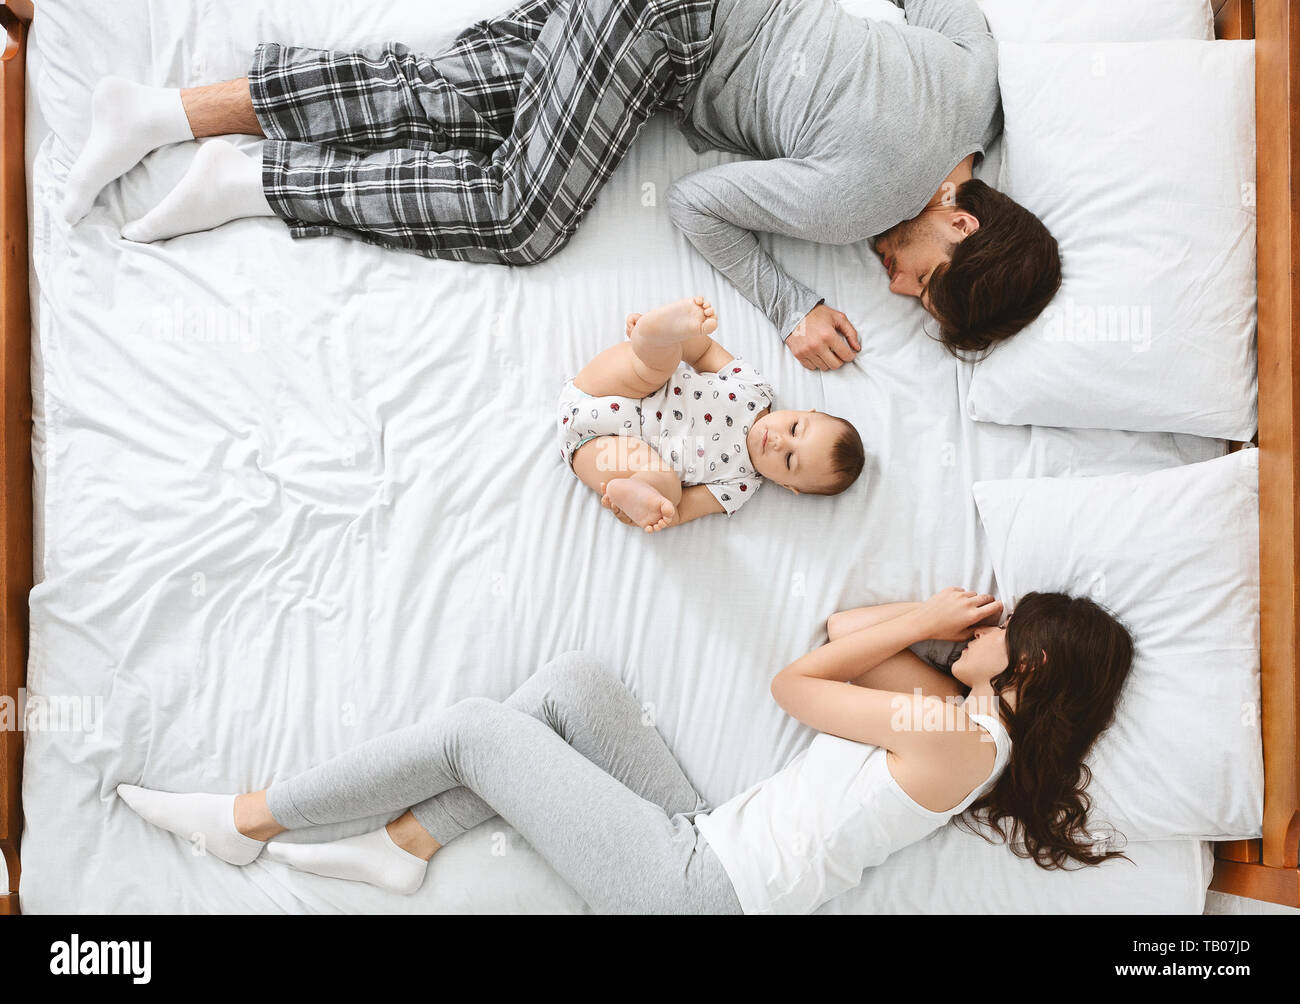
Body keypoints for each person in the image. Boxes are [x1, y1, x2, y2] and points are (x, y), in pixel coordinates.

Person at [61, 0, 1059, 371]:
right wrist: (789, 303)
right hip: (663, 32)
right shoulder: (863, 202)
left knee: (459, 97)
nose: (893, 286)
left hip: (669, 25)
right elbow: (695, 202)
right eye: (924, 281)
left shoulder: (975, 84)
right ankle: (262, 182)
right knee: (520, 214)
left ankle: (166, 115)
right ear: (962, 218)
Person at [117, 588, 1135, 914]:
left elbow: (792, 686)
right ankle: (408, 839)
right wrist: (923, 624)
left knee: (479, 726)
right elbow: (834, 634)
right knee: (571, 683)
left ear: (1029, 663)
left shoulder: (958, 739)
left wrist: (921, 613)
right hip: (703, 833)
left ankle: (248, 819)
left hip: (696, 890)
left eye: (997, 624)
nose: (970, 628)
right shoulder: (958, 723)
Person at [560, 296, 864, 532]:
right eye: (796, 429)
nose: (779, 442)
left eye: (789, 460)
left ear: (788, 486)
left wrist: (657, 511)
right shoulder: (754, 389)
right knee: (659, 366)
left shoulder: (739, 486)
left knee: (667, 486)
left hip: (597, 448)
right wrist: (681, 338)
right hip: (613, 387)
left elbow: (680, 511)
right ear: (803, 411)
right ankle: (654, 337)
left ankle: (637, 488)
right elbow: (703, 353)